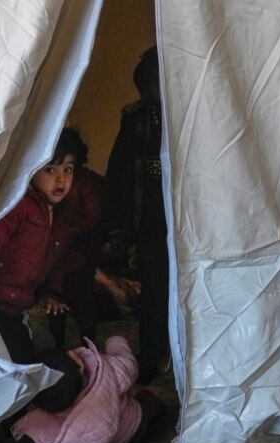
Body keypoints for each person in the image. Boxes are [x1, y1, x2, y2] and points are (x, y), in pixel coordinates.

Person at [0, 130, 83, 363]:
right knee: (17, 361)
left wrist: (50, 293)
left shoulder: (59, 217)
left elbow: (54, 264)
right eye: (51, 170)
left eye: (68, 169)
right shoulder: (19, 205)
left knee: (47, 349)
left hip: (17, 308)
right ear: (32, 169)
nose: (61, 179)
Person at [104, 46, 170, 384]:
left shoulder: (193, 117)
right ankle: (152, 357)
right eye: (153, 83)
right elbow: (118, 176)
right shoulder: (137, 119)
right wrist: (117, 231)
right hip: (150, 224)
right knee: (155, 293)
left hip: (185, 223)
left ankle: (184, 354)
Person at [10, 335, 163, 443]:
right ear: (79, 363)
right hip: (134, 427)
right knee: (149, 406)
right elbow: (129, 366)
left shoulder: (47, 417)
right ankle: (157, 406)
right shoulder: (106, 370)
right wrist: (115, 342)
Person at [48, 129, 105, 347]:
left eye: (68, 167)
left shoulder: (86, 182)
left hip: (81, 255)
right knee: (54, 301)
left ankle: (89, 346)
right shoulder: (47, 182)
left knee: (84, 301)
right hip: (55, 256)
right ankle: (57, 346)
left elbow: (94, 215)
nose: (61, 176)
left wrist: (69, 231)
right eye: (54, 166)